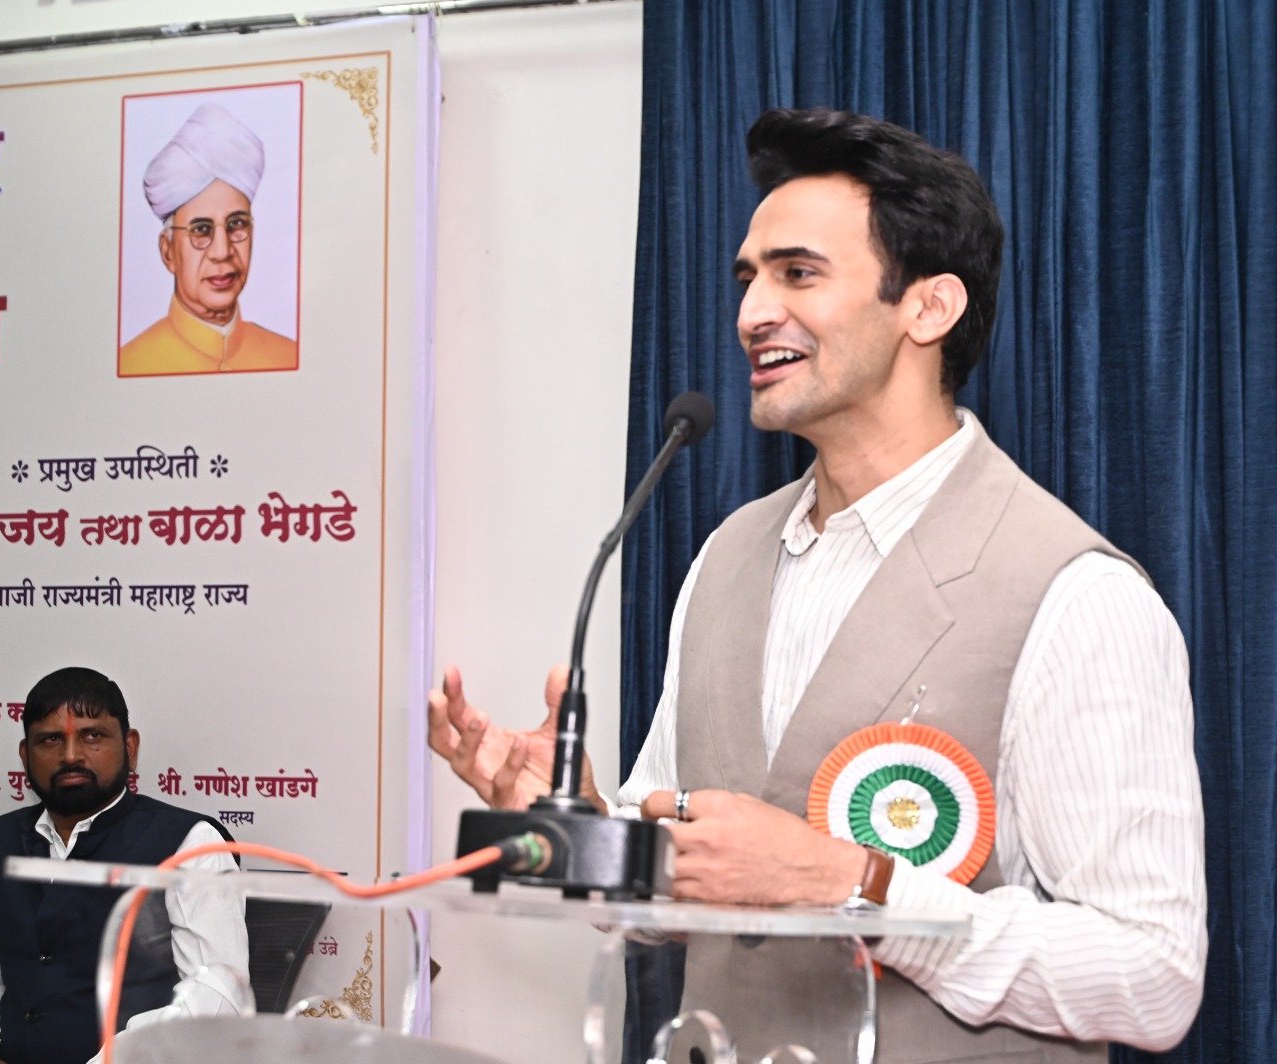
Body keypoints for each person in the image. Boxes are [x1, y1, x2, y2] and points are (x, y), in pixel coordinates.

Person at [427, 108, 1206, 1059]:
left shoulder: (1076, 595)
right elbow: (679, 886)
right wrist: (584, 830)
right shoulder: (725, 556)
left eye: (797, 273)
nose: (752, 313)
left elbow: (1152, 978)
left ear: (929, 307)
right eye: (748, 279)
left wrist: (852, 884)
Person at [0, 667, 250, 1064]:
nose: (71, 756)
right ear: (25, 755)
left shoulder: (191, 844)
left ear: (130, 747)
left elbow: (217, 998)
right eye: (51, 739)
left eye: (92, 736)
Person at [118, 102, 296, 377]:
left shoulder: (288, 356)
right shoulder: (131, 364)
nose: (222, 251)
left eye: (237, 224)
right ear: (168, 252)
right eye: (201, 230)